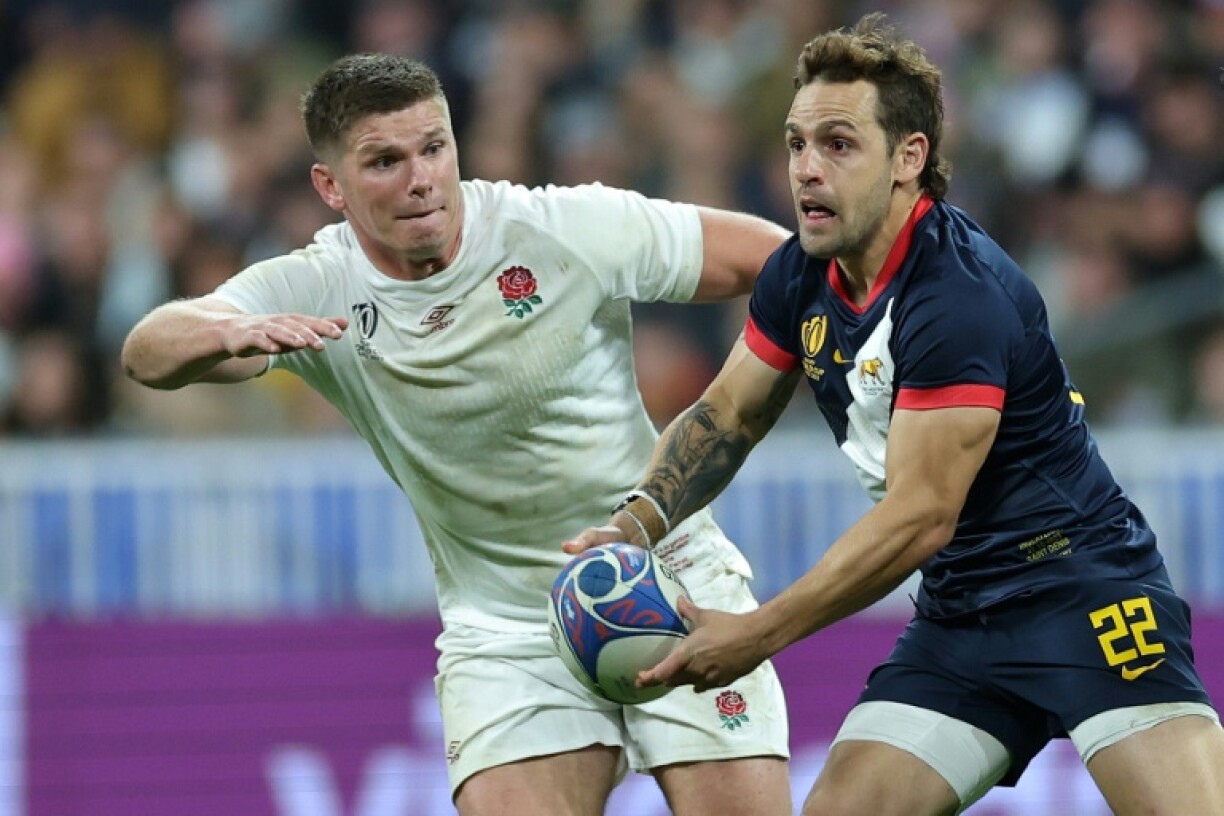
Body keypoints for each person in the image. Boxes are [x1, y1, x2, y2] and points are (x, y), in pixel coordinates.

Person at [566, 14, 1224, 816]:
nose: (807, 169)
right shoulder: (798, 273)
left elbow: (920, 517)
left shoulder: (959, 296)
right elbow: (729, 415)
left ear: (909, 157)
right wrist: (634, 523)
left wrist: (758, 632)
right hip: (961, 616)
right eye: (796, 143)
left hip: (1083, 593)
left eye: (838, 144)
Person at [120, 54, 793, 816]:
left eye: (434, 148)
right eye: (385, 161)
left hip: (666, 577)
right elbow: (147, 352)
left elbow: (775, 260)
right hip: (507, 630)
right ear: (330, 186)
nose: (421, 180)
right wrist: (225, 331)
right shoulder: (318, 287)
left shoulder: (561, 227)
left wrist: (814, 360)